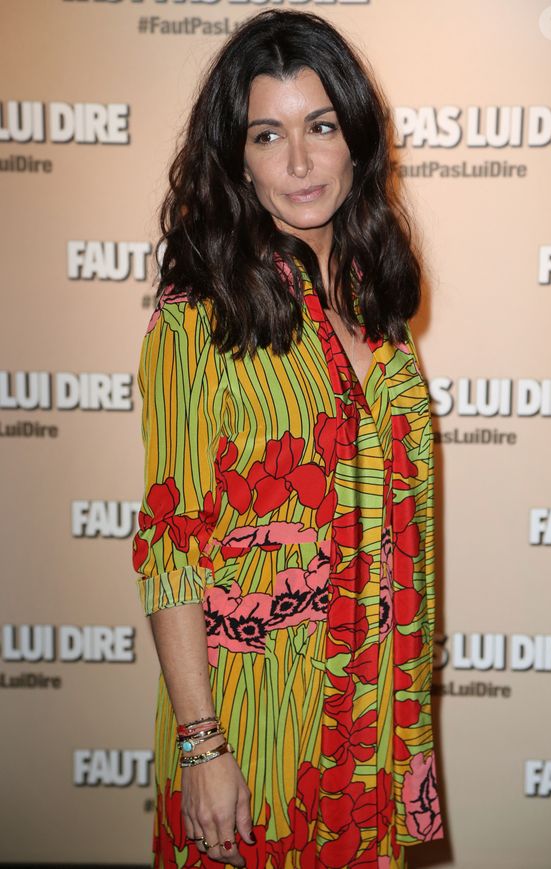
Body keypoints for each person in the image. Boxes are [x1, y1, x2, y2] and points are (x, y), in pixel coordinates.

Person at [132, 9, 443, 869]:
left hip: (373, 714)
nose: (301, 162)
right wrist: (203, 746)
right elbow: (171, 548)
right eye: (268, 134)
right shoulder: (196, 319)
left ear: (357, 137)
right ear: (237, 157)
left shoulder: (380, 317)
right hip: (257, 721)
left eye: (321, 126)